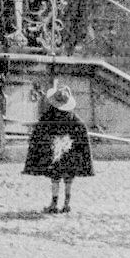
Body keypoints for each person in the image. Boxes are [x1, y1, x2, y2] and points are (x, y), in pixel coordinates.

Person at [23, 83, 94, 213]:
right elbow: (81, 128)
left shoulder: (50, 114)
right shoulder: (73, 117)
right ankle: (66, 204)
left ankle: (54, 204)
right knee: (68, 179)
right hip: (69, 152)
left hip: (55, 152)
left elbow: (41, 127)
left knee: (55, 178)